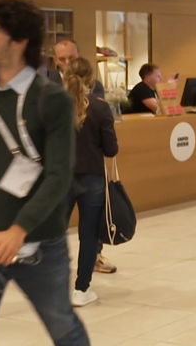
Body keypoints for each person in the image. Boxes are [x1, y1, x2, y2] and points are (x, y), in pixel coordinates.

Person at [0, 0, 90, 344]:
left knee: (62, 327)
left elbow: (58, 175)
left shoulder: (50, 98)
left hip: (39, 245)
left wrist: (19, 230)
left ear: (20, 40)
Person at [47, 39, 115, 274]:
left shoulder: (96, 88)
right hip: (61, 172)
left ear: (80, 56)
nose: (66, 63)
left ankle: (94, 258)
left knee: (90, 225)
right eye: (62, 59)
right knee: (56, 223)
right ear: (54, 60)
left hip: (85, 170)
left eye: (70, 58)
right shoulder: (46, 84)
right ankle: (55, 269)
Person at [63, 58, 118, 307]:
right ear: (91, 79)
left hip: (60, 179)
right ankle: (81, 289)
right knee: (88, 235)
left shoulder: (51, 106)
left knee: (53, 234)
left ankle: (49, 287)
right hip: (92, 178)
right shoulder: (100, 108)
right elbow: (110, 149)